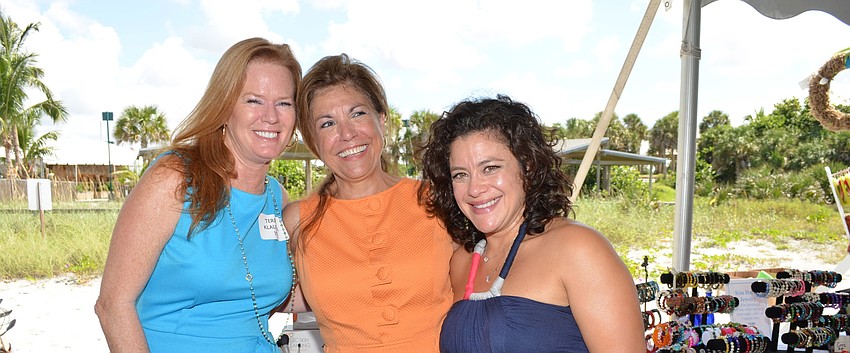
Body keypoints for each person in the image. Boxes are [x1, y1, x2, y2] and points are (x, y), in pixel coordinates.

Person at [95, 37, 302, 353]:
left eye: (284, 103)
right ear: (223, 107)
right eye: (253, 101)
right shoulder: (175, 178)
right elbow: (113, 304)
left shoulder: (276, 197)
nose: (271, 116)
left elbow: (270, 294)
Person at [418, 95, 646, 353]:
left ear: (526, 166)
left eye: (490, 168)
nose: (475, 188)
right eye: (460, 174)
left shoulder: (577, 249)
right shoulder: (461, 262)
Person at [281, 53, 455, 353]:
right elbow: (263, 293)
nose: (347, 134)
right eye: (327, 124)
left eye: (358, 114)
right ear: (314, 142)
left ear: (382, 121)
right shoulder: (298, 220)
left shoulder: (436, 199)